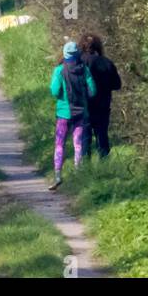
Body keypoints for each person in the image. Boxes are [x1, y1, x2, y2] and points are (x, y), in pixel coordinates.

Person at [49, 41, 96, 190]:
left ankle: (57, 175)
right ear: (77, 55)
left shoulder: (59, 70)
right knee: (78, 145)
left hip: (63, 114)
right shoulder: (85, 70)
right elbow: (93, 91)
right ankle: (78, 176)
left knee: (59, 144)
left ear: (64, 54)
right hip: (80, 114)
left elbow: (55, 91)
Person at [79, 33, 121, 158]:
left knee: (85, 136)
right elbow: (117, 84)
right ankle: (104, 163)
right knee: (102, 134)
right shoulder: (107, 63)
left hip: (83, 105)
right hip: (103, 105)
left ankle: (85, 165)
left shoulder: (78, 63)